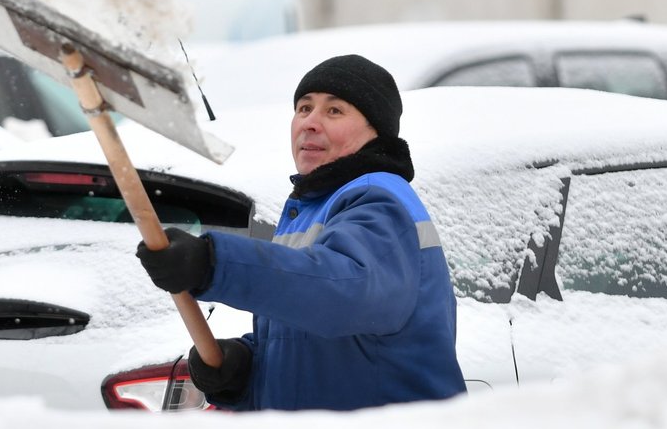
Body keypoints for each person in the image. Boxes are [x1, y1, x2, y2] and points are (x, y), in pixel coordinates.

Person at [136, 54, 466, 410]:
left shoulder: (378, 200)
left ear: (375, 131)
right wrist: (247, 367)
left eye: (334, 111)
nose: (310, 123)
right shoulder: (312, 208)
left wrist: (214, 264)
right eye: (304, 108)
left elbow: (340, 293)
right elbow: (328, 341)